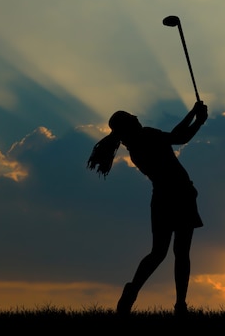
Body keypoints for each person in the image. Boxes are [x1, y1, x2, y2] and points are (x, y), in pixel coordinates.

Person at [87, 101, 208, 317]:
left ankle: (133, 290)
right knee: (181, 253)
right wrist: (196, 119)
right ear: (129, 125)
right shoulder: (147, 136)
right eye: (131, 117)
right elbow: (179, 137)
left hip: (162, 200)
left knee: (158, 253)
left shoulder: (136, 147)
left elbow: (176, 136)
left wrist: (194, 115)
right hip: (180, 197)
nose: (135, 116)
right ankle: (180, 305)